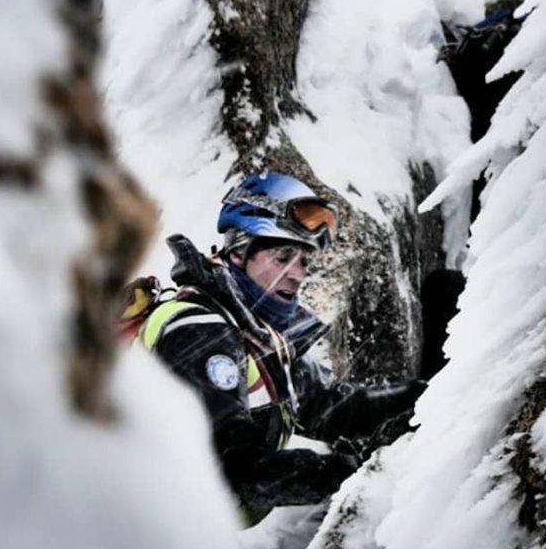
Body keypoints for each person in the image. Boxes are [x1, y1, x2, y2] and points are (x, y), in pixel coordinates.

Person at [136, 171, 425, 520]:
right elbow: (238, 471)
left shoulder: (257, 338)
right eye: (282, 256)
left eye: (304, 260)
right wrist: (356, 475)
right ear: (239, 253)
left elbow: (330, 408)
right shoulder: (200, 331)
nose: (298, 273)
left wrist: (429, 397)